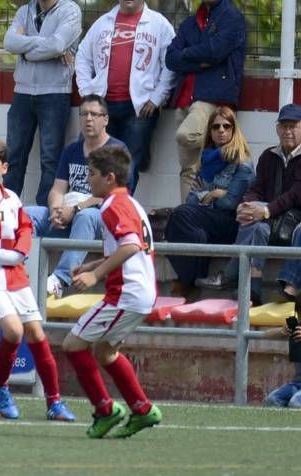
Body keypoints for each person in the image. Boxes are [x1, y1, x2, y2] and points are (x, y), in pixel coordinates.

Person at [0, 138, 75, 421]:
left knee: (37, 334)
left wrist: (21, 250)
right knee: (13, 332)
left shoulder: (12, 198)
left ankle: (54, 402)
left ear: (4, 168)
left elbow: (25, 227)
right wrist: (8, 257)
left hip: (16, 277)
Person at [61, 144, 162, 439]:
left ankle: (105, 410)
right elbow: (128, 246)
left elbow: (131, 245)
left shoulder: (113, 206)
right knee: (105, 352)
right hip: (138, 291)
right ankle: (142, 409)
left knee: (72, 344)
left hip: (126, 294)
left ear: (110, 177)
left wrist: (95, 274)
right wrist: (93, 263)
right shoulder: (129, 202)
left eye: (92, 174)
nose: (88, 179)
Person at [25, 94, 130, 298]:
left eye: (94, 114)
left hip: (99, 218)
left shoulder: (117, 151)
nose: (88, 119)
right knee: (29, 213)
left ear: (105, 119)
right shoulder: (71, 150)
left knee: (86, 216)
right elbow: (57, 189)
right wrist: (57, 210)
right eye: (84, 114)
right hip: (67, 214)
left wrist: (75, 209)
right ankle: (26, 273)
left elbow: (115, 195)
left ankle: (60, 280)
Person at [196, 103, 301, 306]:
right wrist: (246, 204)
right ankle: (253, 293)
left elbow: (295, 195)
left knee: (258, 222)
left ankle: (230, 275)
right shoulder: (268, 156)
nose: (288, 131)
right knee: (256, 225)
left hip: (293, 220)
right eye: (284, 126)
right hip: (269, 220)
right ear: (277, 129)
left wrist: (266, 210)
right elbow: (257, 188)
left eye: (293, 126)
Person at [75, 0, 176, 193]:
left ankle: (119, 214)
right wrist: (87, 93)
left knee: (128, 167)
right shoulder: (103, 22)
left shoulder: (159, 24)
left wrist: (156, 97)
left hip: (138, 109)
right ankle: (87, 212)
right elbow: (82, 56)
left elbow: (170, 64)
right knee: (88, 161)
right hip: (101, 106)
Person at [165, 106, 255, 301]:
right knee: (187, 227)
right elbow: (192, 198)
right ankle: (193, 281)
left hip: (231, 222)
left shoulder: (243, 162)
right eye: (216, 127)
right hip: (206, 220)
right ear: (210, 131)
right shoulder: (205, 160)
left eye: (226, 126)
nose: (221, 130)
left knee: (181, 214)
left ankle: (186, 281)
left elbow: (230, 203)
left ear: (233, 129)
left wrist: (210, 196)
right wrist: (215, 194)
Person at [2, 0, 82, 204]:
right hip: (22, 92)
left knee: (50, 159)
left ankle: (45, 212)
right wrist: (47, 48)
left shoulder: (70, 10)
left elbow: (57, 44)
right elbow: (9, 42)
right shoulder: (24, 10)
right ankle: (6, 208)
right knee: (13, 157)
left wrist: (26, 49)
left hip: (55, 93)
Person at [166, 0, 247, 202]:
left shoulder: (232, 17)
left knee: (185, 135)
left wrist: (185, 55)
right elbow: (170, 58)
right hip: (184, 99)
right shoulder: (190, 23)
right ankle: (187, 218)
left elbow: (215, 52)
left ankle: (219, 149)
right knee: (187, 169)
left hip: (212, 98)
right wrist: (197, 60)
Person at [263, 299, 301, 407]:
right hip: (297, 383)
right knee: (272, 400)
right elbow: (265, 335)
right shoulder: (296, 329)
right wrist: (282, 331)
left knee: (296, 403)